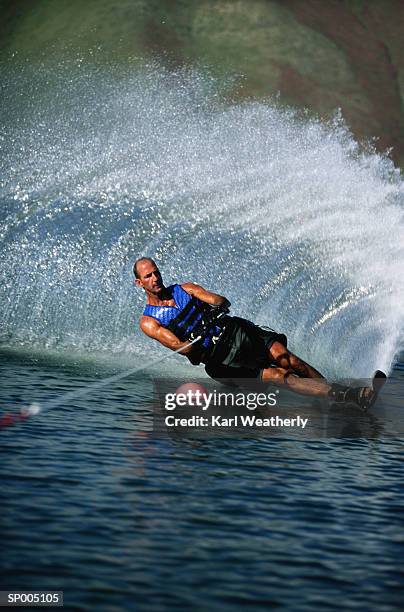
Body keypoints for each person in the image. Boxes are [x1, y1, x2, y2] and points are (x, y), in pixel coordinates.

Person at [134, 257, 382, 409]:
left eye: (156, 272)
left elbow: (220, 300)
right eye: (148, 276)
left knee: (288, 358)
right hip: (220, 358)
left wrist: (215, 308)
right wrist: (196, 336)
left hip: (236, 332)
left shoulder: (184, 289)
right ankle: (351, 396)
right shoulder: (149, 321)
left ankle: (337, 393)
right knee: (279, 374)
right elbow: (183, 348)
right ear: (140, 283)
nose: (155, 278)